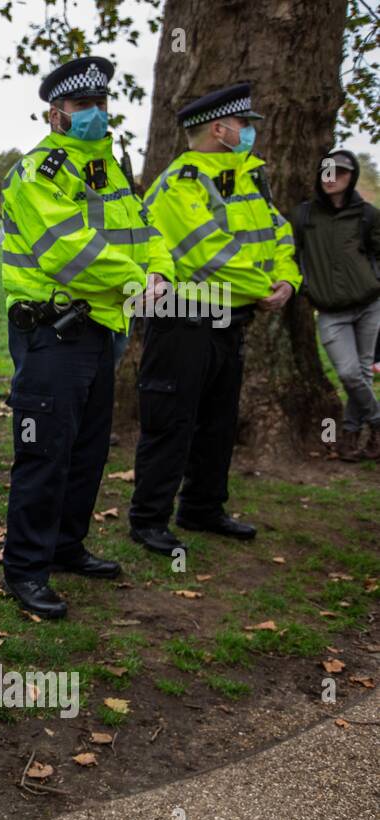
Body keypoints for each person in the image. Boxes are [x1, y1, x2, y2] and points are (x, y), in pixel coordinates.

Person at [0, 56, 172, 618]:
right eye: (83, 106)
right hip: (52, 332)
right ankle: (25, 568)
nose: (96, 114)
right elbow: (67, 249)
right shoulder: (39, 171)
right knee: (45, 452)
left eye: (102, 104)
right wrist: (134, 279)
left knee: (89, 449)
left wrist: (161, 271)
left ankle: (67, 547)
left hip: (101, 330)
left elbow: (148, 230)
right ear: (57, 115)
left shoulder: (113, 170)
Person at [130, 83, 301, 554]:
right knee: (172, 419)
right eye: (245, 125)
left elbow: (279, 234)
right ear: (220, 129)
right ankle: (148, 519)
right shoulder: (182, 181)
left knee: (218, 420)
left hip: (231, 317)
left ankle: (202, 508)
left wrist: (288, 281)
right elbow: (206, 252)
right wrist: (264, 287)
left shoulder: (249, 177)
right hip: (185, 316)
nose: (250, 132)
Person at [293, 149, 380, 461]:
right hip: (330, 311)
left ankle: (354, 438)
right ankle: (377, 422)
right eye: (326, 172)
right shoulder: (304, 216)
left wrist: (375, 281)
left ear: (351, 176)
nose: (331, 178)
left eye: (339, 173)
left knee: (363, 373)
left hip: (369, 304)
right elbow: (292, 256)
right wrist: (306, 288)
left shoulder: (368, 214)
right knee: (348, 372)